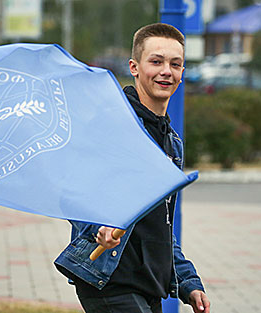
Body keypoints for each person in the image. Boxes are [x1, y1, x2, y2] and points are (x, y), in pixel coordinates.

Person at [55, 23, 210, 313]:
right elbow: (72, 191)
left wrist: (188, 281)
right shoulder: (112, 125)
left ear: (182, 74)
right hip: (108, 279)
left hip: (149, 284)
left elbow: (160, 226)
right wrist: (97, 227)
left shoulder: (171, 142)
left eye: (175, 64)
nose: (166, 71)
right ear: (134, 67)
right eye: (156, 61)